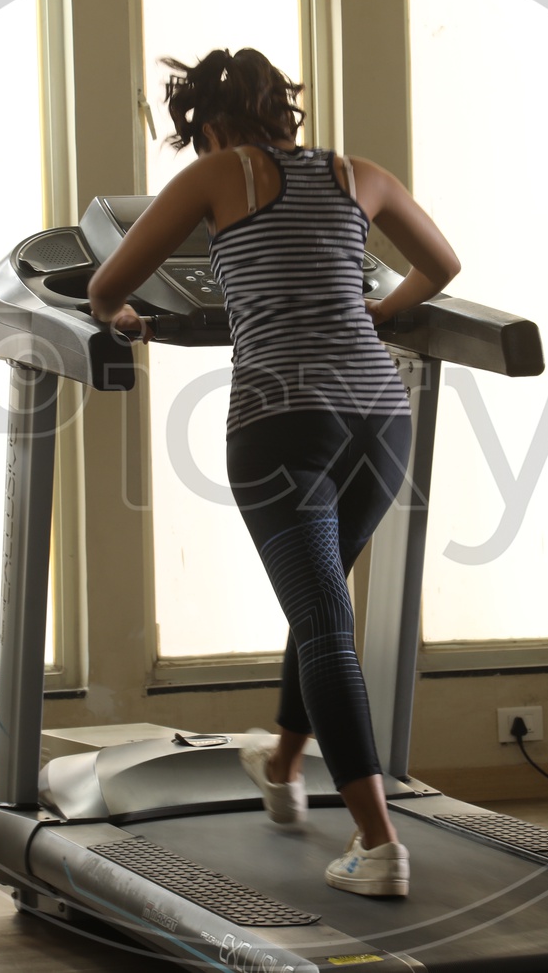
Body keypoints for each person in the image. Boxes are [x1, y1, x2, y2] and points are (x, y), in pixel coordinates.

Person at [86, 47, 460, 898]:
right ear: (282, 110)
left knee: (323, 615)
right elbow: (443, 265)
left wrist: (123, 317)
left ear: (206, 124)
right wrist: (379, 309)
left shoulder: (215, 176)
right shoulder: (357, 174)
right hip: (379, 422)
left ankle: (378, 843)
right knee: (320, 601)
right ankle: (284, 767)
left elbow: (110, 283)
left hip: (282, 423)